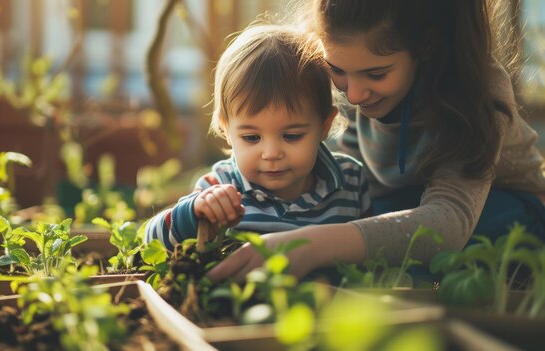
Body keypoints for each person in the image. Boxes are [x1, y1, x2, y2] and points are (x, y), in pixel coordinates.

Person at [206, 0, 545, 283]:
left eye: (376, 74)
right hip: (398, 205)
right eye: (337, 70)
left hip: (500, 215)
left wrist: (311, 243)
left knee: (396, 246)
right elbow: (347, 177)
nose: (352, 95)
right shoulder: (352, 78)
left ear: (425, 47)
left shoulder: (477, 89)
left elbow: (449, 221)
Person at [144, 23, 372, 250]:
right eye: (252, 138)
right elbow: (150, 243)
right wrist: (193, 213)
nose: (272, 154)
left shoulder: (350, 182)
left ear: (324, 125)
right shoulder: (220, 187)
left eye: (291, 136)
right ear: (227, 130)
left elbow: (374, 255)